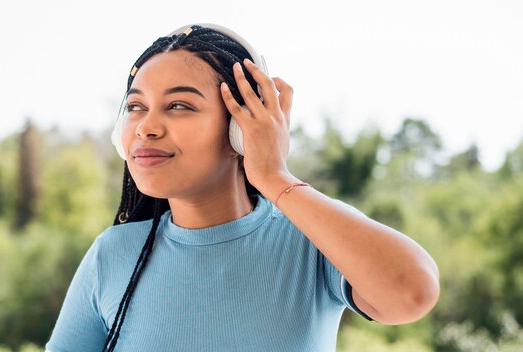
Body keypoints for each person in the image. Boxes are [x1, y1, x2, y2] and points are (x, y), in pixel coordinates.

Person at [45, 23, 440, 352]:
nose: (146, 126)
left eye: (178, 105)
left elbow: (412, 291)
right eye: (135, 107)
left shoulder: (310, 243)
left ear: (241, 127)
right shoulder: (112, 255)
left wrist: (274, 177)